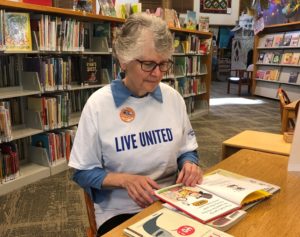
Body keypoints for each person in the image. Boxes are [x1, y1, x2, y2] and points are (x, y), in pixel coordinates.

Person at [68, 12, 203, 236]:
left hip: (174, 200)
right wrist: (125, 180)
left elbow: (187, 150)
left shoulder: (173, 98)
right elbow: (81, 172)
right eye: (148, 64)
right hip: (121, 210)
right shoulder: (99, 105)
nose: (158, 74)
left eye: (163, 64)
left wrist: (189, 164)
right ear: (124, 59)